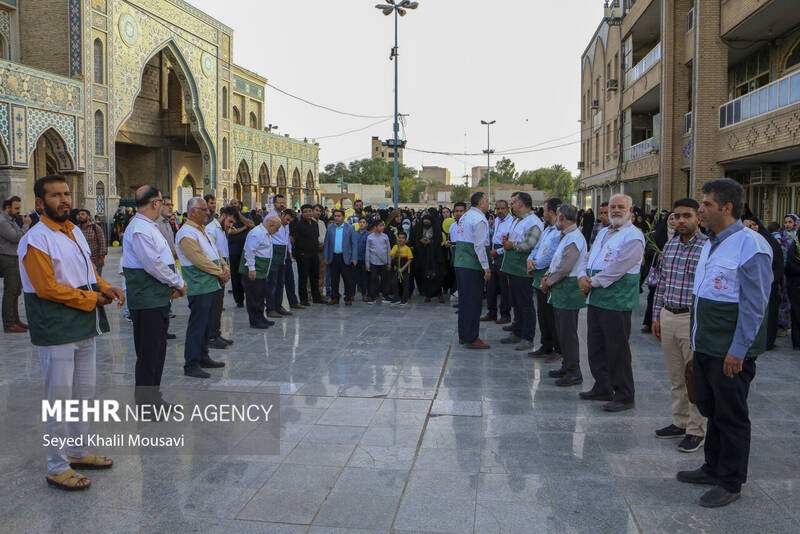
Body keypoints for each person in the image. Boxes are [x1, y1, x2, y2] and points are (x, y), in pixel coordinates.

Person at [19, 175, 124, 490]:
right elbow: (46, 288)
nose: (63, 200)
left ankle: (77, 451)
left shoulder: (75, 231)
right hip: (56, 328)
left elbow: (89, 272)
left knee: (83, 395)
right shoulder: (36, 239)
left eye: (66, 194)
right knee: (59, 400)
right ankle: (56, 465)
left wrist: (107, 287)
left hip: (83, 326)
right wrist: (93, 298)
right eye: (55, 196)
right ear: (40, 203)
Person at [677, 178, 772, 508]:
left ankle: (730, 481)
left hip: (730, 351)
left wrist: (738, 350)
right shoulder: (710, 242)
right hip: (706, 345)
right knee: (712, 409)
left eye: (705, 204)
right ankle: (712, 466)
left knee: (731, 415)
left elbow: (755, 304)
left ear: (726, 207)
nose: (700, 209)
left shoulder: (751, 245)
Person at [650, 199, 708, 453]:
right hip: (668, 315)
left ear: (698, 218)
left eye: (687, 215)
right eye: (677, 216)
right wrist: (656, 316)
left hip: (691, 319)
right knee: (676, 377)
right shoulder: (671, 245)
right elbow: (661, 284)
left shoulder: (707, 247)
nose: (681, 220)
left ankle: (696, 430)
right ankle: (680, 421)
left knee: (693, 376)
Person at [579, 193, 645, 412]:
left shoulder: (634, 236)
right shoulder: (604, 232)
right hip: (597, 297)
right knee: (595, 346)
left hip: (616, 300)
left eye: (620, 207)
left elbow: (619, 267)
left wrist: (593, 282)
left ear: (630, 211)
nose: (615, 210)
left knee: (617, 349)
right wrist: (582, 275)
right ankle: (602, 386)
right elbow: (589, 256)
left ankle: (624, 394)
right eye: (612, 207)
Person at [122, 186, 187, 404]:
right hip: (147, 301)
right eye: (162, 201)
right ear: (154, 203)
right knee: (149, 354)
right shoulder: (140, 228)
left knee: (157, 351)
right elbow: (153, 265)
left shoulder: (149, 226)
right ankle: (146, 404)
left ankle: (154, 398)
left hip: (157, 299)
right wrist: (178, 282)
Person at [176, 197, 229, 378]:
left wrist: (224, 267)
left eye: (208, 209)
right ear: (192, 212)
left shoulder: (202, 231)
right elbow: (198, 259)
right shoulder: (186, 233)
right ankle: (191, 363)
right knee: (197, 325)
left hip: (211, 283)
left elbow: (215, 252)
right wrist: (219, 272)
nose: (208, 212)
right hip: (200, 285)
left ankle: (203, 355)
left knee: (207, 324)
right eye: (204, 209)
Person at [541, 204, 586, 387]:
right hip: (561, 290)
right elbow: (557, 261)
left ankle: (574, 371)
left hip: (568, 290)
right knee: (562, 331)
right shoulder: (567, 236)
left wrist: (548, 282)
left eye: (557, 216)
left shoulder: (574, 238)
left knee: (568, 333)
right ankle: (566, 366)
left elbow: (566, 267)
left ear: (562, 218)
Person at [500, 192, 543, 352]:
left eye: (513, 203)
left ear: (521, 204)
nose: (511, 206)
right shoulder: (518, 220)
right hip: (513, 268)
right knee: (516, 302)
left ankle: (527, 337)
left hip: (522, 270)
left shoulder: (533, 222)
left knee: (525, 304)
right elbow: (516, 238)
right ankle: (517, 332)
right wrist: (507, 240)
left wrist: (513, 246)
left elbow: (531, 244)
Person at [454, 192, 492, 349]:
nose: (489, 203)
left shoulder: (466, 216)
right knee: (473, 302)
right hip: (472, 265)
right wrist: (486, 267)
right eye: (487, 200)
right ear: (481, 202)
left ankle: (464, 334)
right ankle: (471, 337)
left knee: (464, 301)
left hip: (461, 263)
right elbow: (479, 245)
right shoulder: (480, 219)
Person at [527, 197, 562, 360]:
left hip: (548, 275)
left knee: (551, 314)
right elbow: (538, 247)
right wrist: (530, 260)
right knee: (542, 313)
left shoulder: (560, 231)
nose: (544, 213)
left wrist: (536, 264)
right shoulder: (547, 229)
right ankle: (546, 344)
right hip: (539, 273)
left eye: (546, 210)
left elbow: (551, 255)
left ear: (552, 212)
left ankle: (557, 348)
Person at [206, 206, 238, 348]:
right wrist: (221, 271)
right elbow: (211, 253)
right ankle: (211, 336)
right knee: (214, 305)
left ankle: (216, 333)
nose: (230, 226)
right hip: (215, 270)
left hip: (222, 269)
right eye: (229, 221)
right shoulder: (211, 229)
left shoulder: (220, 229)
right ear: (223, 215)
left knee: (219, 304)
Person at [241, 215, 281, 328]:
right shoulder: (257, 233)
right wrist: (251, 269)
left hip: (262, 270)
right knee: (254, 296)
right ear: (270, 224)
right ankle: (255, 320)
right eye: (277, 228)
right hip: (255, 270)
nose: (277, 231)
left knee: (260, 295)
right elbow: (249, 251)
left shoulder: (266, 233)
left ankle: (261, 317)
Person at [1, 195, 30, 333]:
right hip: (7, 258)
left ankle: (15, 320)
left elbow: (19, 234)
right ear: (8, 208)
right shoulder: (2, 221)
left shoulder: (11, 220)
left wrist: (22, 227)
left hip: (14, 257)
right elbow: (17, 237)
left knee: (15, 291)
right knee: (10, 291)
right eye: (16, 208)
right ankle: (9, 323)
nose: (19, 211)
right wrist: (26, 225)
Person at [482, 200, 513, 323]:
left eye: (502, 209)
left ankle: (505, 314)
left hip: (503, 256)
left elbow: (511, 243)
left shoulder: (511, 222)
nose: (500, 211)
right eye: (498, 209)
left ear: (508, 209)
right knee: (491, 286)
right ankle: (492, 312)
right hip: (493, 256)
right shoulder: (497, 221)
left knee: (504, 287)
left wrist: (498, 252)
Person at [323, 208, 358, 305]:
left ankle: (348, 297)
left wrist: (354, 257)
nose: (337, 218)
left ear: (343, 217)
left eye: (339, 216)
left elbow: (354, 244)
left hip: (345, 257)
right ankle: (335, 297)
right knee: (334, 279)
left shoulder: (350, 228)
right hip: (333, 257)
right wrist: (325, 256)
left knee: (347, 279)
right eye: (335, 216)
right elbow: (327, 243)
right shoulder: (330, 228)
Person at [227, 199, 256, 308]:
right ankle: (239, 299)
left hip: (246, 250)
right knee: (235, 275)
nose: (234, 205)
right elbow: (230, 231)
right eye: (232, 204)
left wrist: (239, 215)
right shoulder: (228, 217)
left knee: (247, 274)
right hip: (233, 250)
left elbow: (252, 225)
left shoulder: (246, 215)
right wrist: (244, 227)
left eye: (236, 203)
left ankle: (250, 296)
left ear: (240, 205)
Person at [412, 212, 446, 303]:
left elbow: (439, 240)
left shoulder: (436, 229)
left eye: (428, 222)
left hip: (435, 257)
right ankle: (428, 294)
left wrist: (430, 243)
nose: (426, 224)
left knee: (437, 275)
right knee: (425, 276)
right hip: (423, 257)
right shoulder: (419, 229)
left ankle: (439, 294)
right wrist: (421, 242)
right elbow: (416, 240)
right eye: (424, 222)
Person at [292, 204, 322, 305]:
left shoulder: (315, 224)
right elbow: (293, 240)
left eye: (310, 211)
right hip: (303, 255)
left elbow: (316, 238)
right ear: (302, 213)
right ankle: (304, 299)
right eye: (306, 212)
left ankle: (316, 298)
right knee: (303, 278)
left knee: (315, 277)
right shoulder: (298, 225)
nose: (308, 213)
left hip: (314, 254)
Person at [282, 209, 304, 310]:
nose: (288, 222)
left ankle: (293, 301)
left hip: (286, 253)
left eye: (290, 220)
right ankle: (275, 305)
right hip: (277, 253)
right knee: (277, 281)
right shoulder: (274, 222)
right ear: (283, 215)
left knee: (290, 278)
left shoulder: (287, 225)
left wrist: (290, 251)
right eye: (287, 219)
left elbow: (287, 240)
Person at [365, 219, 392, 303]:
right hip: (374, 263)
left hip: (384, 262)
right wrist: (367, 264)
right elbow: (367, 251)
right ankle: (373, 296)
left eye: (382, 225)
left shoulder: (385, 236)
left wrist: (389, 262)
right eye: (380, 225)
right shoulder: (370, 237)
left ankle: (385, 295)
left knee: (385, 279)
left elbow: (388, 250)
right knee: (373, 279)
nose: (382, 227)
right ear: (375, 227)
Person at [76, 209, 107, 276]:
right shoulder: (75, 229)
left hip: (94, 260)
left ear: (89, 217)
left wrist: (101, 258)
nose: (80, 216)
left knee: (96, 282)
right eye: (79, 214)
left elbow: (102, 243)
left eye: (83, 214)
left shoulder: (95, 228)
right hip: (81, 261)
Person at [391, 231, 413, 305]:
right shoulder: (395, 247)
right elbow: (392, 258)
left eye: (403, 238)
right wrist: (396, 252)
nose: (401, 240)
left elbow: (410, 260)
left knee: (405, 284)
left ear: (406, 240)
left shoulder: (407, 248)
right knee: (394, 282)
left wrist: (403, 268)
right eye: (399, 238)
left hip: (405, 269)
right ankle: (396, 297)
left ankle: (405, 299)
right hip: (397, 268)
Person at [313, 204, 329, 301]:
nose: (318, 212)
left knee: (321, 272)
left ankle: (320, 292)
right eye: (316, 210)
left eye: (320, 211)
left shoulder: (322, 223)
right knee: (311, 273)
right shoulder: (310, 222)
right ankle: (309, 293)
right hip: (313, 250)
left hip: (322, 251)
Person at [353, 216, 370, 301]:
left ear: (366, 224)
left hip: (365, 259)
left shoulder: (369, 235)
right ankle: (351, 295)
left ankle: (364, 294)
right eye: (360, 222)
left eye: (364, 222)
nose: (362, 224)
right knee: (354, 278)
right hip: (355, 259)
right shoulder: (354, 234)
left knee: (364, 278)